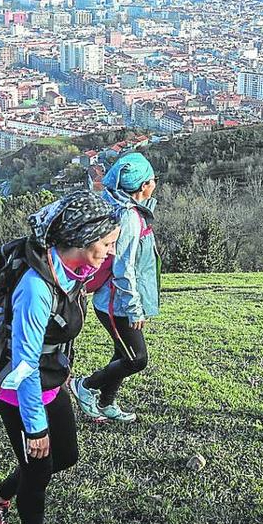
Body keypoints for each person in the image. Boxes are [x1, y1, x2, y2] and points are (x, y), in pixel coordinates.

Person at [0, 191, 121, 524]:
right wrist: (34, 426)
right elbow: (24, 365)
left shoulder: (70, 271)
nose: (109, 252)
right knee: (37, 466)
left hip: (49, 381)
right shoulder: (36, 288)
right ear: (80, 241)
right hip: (20, 389)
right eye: (106, 244)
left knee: (65, 456)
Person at [72, 153, 160, 423]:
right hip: (115, 303)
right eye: (152, 179)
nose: (155, 183)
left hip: (116, 300)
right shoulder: (129, 217)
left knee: (122, 353)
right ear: (143, 185)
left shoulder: (116, 201)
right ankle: (85, 386)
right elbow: (124, 268)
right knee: (137, 359)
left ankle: (108, 403)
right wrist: (135, 309)